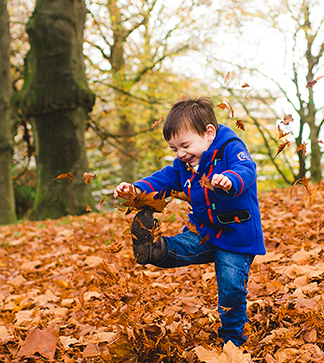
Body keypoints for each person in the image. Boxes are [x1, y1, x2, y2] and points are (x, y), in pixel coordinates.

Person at [114, 97, 266, 347]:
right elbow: (164, 178)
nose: (181, 154)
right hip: (204, 231)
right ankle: (154, 249)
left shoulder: (230, 148)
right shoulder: (185, 164)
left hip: (236, 237)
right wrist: (135, 189)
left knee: (230, 289)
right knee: (181, 247)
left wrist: (230, 178)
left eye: (185, 145)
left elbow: (246, 168)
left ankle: (232, 340)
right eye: (174, 149)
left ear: (208, 133)